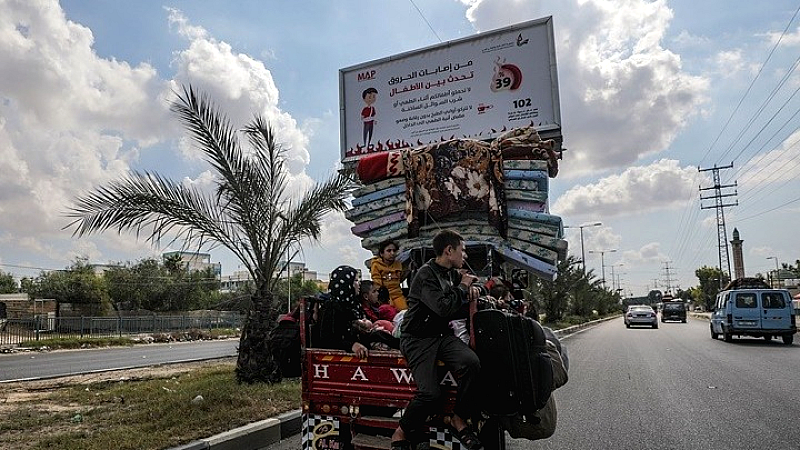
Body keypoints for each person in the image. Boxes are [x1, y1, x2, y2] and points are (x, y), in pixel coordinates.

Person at [391, 230, 483, 450]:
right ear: (449, 251)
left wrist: (474, 290)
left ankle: (458, 418)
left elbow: (457, 299)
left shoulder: (451, 273)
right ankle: (400, 433)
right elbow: (442, 307)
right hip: (417, 339)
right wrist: (463, 288)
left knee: (471, 363)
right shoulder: (425, 275)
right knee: (430, 394)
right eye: (463, 251)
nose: (465, 256)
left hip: (441, 335)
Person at [316, 265, 371, 358]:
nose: (359, 284)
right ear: (346, 284)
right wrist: (351, 345)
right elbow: (326, 339)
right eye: (356, 281)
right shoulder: (331, 308)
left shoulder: (353, 305)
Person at [371, 240, 409, 311]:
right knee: (390, 312)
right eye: (389, 251)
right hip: (385, 296)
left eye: (394, 251)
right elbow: (377, 284)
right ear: (382, 253)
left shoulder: (398, 264)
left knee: (404, 311)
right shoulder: (376, 265)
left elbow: (399, 280)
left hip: (398, 295)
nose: (392, 253)